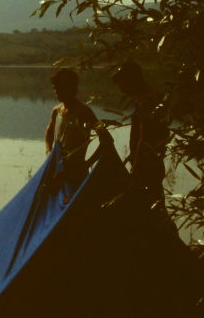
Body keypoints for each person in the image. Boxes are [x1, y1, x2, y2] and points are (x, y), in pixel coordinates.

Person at [112, 60, 170, 209]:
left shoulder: (147, 102)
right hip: (153, 166)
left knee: (149, 208)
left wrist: (135, 170)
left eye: (122, 84)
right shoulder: (152, 98)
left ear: (132, 80)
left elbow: (145, 139)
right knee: (155, 206)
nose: (121, 90)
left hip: (146, 170)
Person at [44, 68, 112, 191]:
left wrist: (86, 165)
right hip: (57, 171)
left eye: (58, 87)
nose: (55, 91)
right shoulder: (56, 111)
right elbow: (49, 131)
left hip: (76, 174)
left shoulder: (83, 111)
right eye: (54, 88)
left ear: (69, 87)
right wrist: (49, 152)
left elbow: (107, 140)